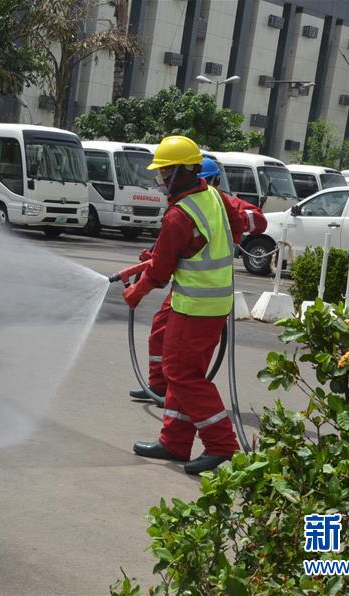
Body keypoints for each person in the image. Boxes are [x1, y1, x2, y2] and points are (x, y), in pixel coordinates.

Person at [122, 138, 266, 475]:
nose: (160, 182)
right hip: (212, 305)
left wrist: (136, 293)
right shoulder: (212, 196)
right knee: (184, 373)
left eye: (164, 173)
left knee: (181, 375)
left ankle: (221, 444)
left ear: (183, 171)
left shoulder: (179, 215)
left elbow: (160, 273)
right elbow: (226, 233)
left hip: (195, 308)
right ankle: (174, 441)